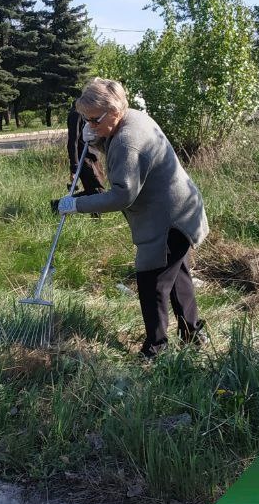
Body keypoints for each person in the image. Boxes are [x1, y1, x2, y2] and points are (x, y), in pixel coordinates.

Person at [58, 78, 209, 359]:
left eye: (94, 120)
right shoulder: (133, 118)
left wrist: (76, 205)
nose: (89, 126)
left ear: (114, 110)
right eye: (85, 120)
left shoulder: (129, 140)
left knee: (152, 283)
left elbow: (121, 195)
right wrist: (100, 140)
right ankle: (194, 335)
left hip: (168, 222)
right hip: (180, 210)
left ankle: (156, 349)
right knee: (177, 277)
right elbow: (127, 160)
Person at [65, 102, 104, 206]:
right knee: (96, 192)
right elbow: (73, 141)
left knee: (96, 191)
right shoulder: (76, 113)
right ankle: (60, 205)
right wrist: (74, 168)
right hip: (84, 159)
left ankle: (59, 205)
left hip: (93, 156)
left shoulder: (88, 112)